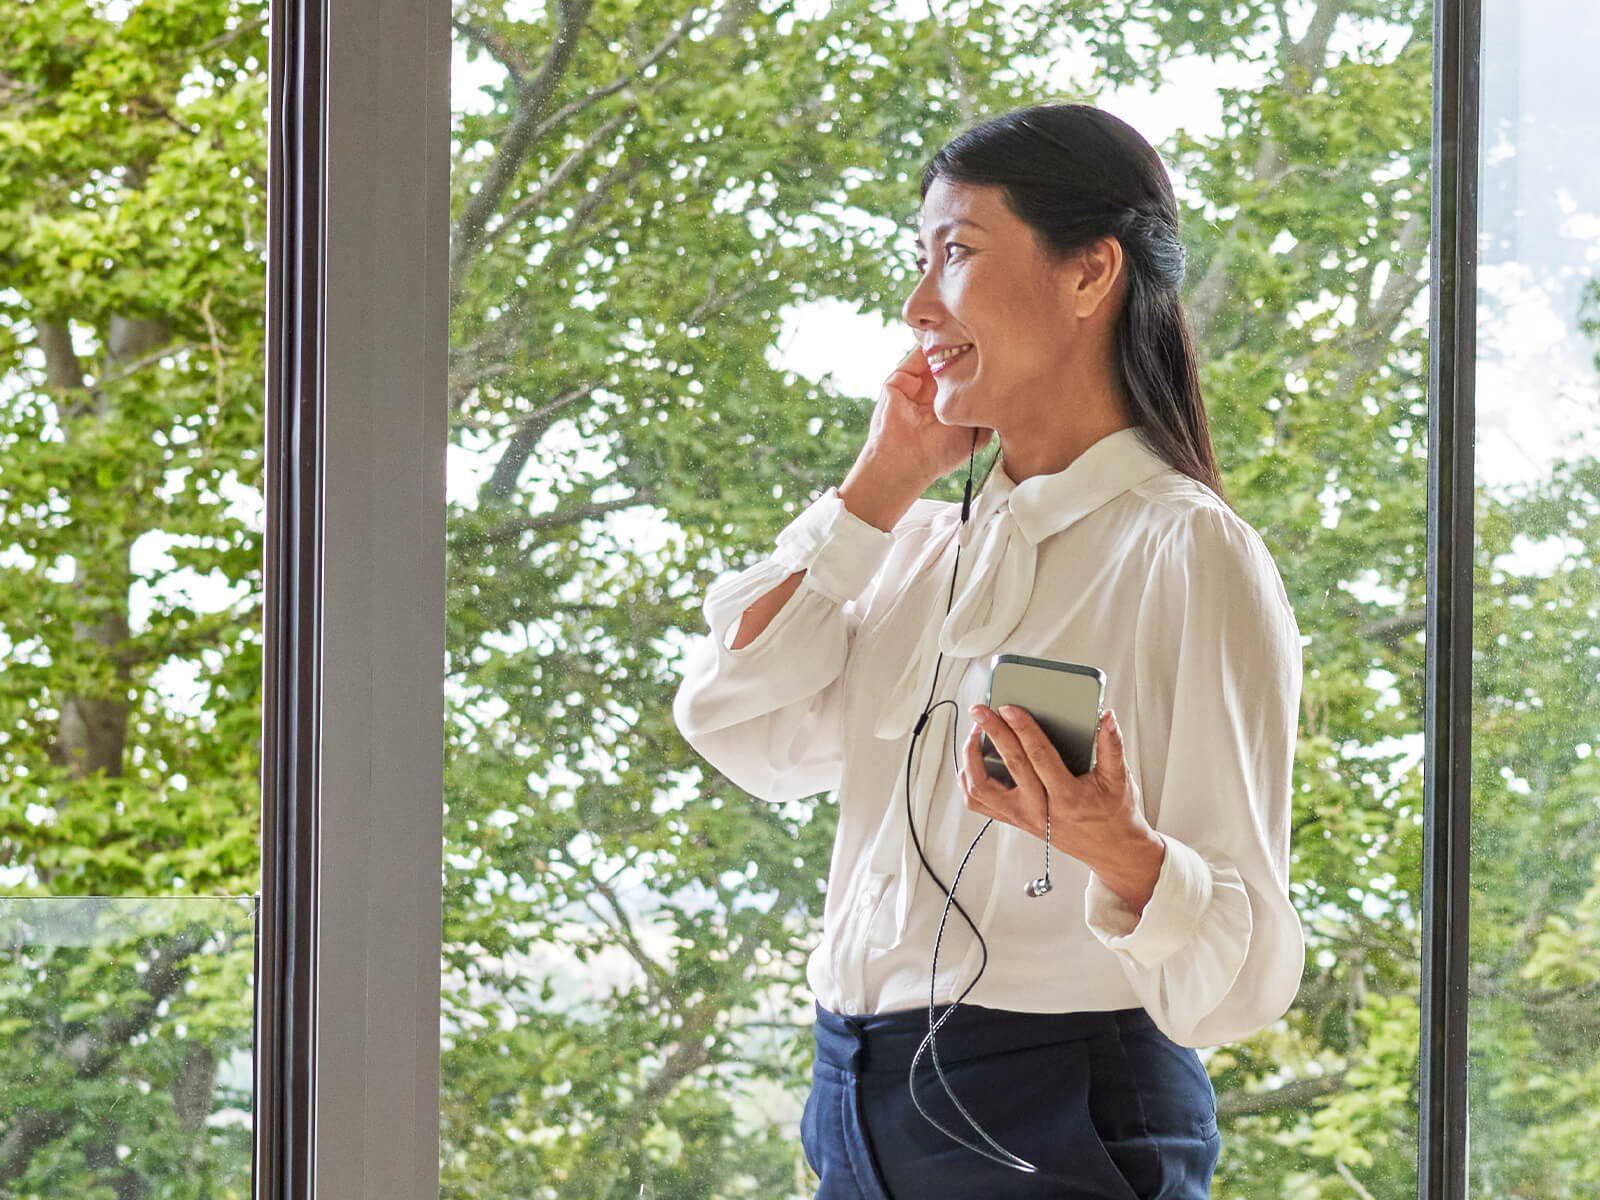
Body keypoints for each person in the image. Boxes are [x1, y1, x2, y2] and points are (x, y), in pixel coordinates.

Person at [672, 104, 1303, 1200]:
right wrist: (877, 486)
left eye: (956, 254)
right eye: (917, 262)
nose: (917, 307)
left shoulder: (1188, 553)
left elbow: (1246, 972)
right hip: (851, 1102)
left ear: (1087, 273)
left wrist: (1121, 850)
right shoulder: (917, 545)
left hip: (1054, 1112)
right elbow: (737, 723)